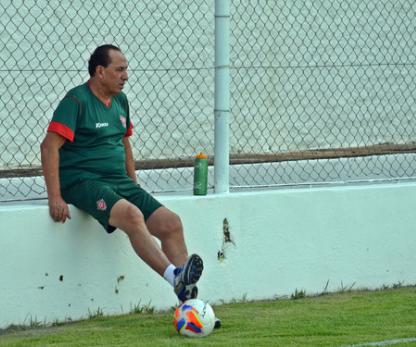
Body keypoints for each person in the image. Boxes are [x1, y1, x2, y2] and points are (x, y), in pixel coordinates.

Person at [40, 44, 203, 303]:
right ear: (100, 71)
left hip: (118, 182)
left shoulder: (121, 101)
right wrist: (55, 197)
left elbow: (125, 143)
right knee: (132, 215)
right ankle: (176, 278)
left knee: (171, 223)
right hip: (83, 181)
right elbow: (49, 147)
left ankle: (192, 307)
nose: (126, 76)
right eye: (120, 70)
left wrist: (133, 185)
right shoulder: (76, 101)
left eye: (126, 69)